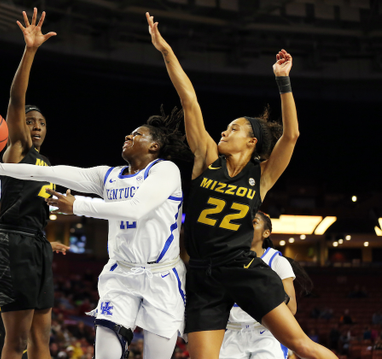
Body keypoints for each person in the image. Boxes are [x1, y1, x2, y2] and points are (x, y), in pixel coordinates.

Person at [146, 12, 337, 359]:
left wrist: (283, 81)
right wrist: (165, 51)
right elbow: (189, 99)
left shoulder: (260, 177)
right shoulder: (206, 158)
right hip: (202, 273)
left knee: (300, 344)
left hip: (241, 267)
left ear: (251, 142)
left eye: (233, 129)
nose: (223, 131)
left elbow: (291, 135)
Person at [0, 105, 193, 358]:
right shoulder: (108, 175)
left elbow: (136, 208)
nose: (128, 136)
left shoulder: (166, 170)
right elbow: (46, 172)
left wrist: (79, 205)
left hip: (162, 276)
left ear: (154, 146)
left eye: (137, 134)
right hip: (121, 275)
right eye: (129, 133)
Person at [0, 8, 69, 359]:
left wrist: (48, 236)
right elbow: (16, 99)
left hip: (36, 246)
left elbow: (35, 209)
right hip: (11, 243)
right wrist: (30, 51)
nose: (36, 125)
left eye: (40, 122)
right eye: (29, 121)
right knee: (18, 340)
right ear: (18, 128)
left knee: (43, 339)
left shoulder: (48, 164)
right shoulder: (17, 150)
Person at [219, 211, 313, 359]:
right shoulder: (226, 259)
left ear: (266, 233)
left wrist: (267, 291)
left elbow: (291, 308)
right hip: (231, 331)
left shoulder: (277, 261)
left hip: (267, 331)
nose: (247, 227)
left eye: (254, 222)